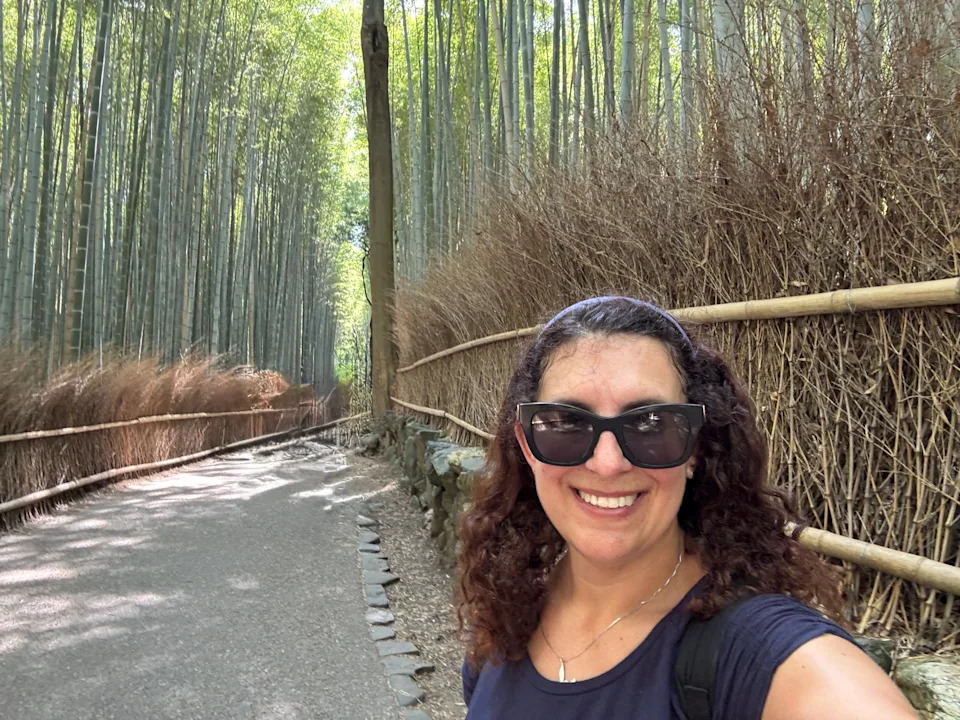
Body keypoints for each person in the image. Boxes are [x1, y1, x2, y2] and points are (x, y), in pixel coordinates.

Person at [456, 296, 917, 719]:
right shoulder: (505, 619)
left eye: (652, 424)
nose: (608, 463)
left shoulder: (750, 649)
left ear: (695, 447)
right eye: (566, 424)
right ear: (528, 447)